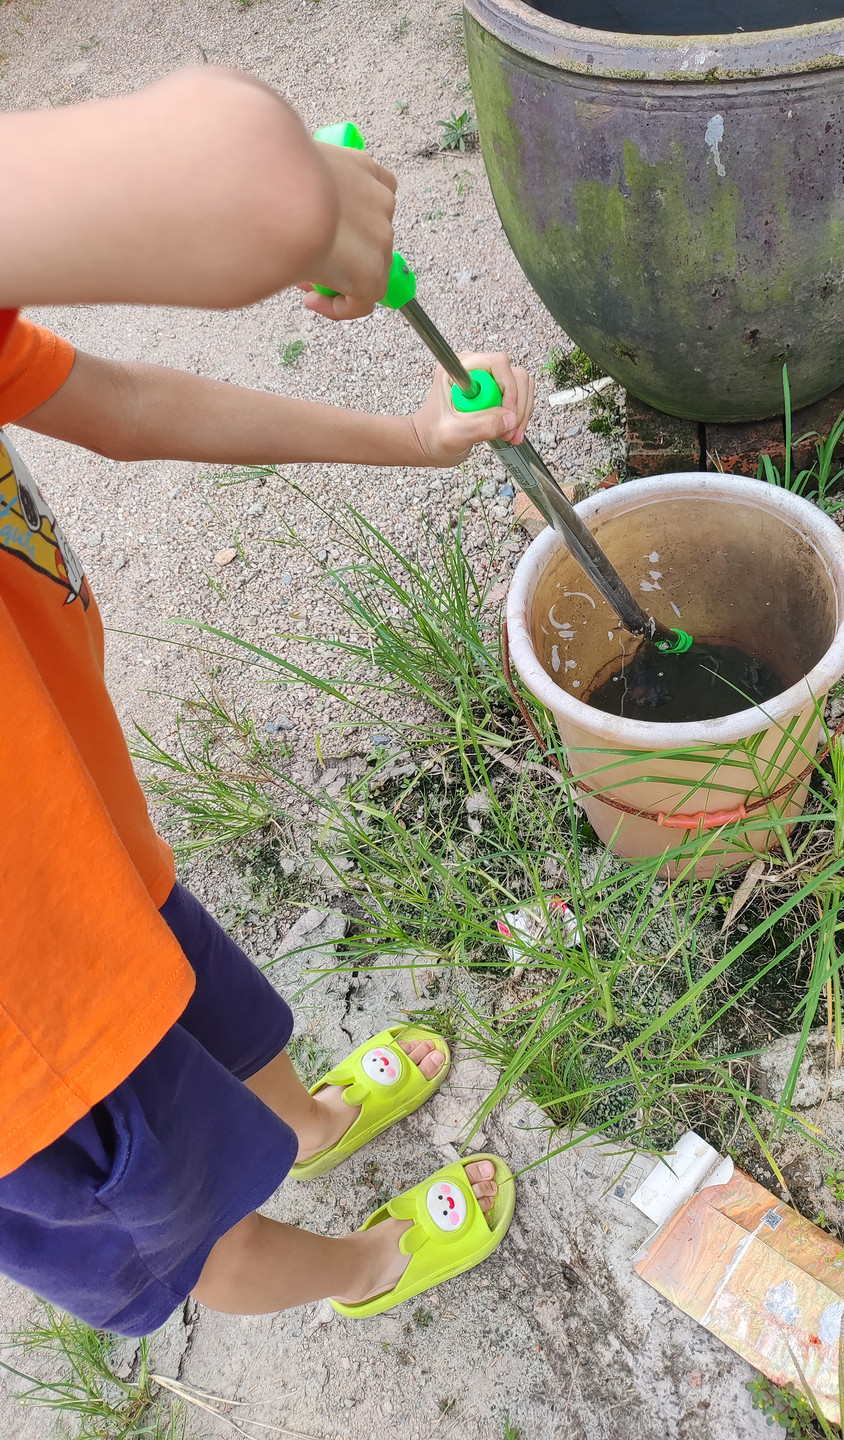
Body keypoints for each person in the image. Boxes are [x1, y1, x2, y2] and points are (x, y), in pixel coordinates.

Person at [0, 67, 532, 1336]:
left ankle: (314, 1120)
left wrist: (410, 441)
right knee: (192, 1226)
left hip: (74, 833)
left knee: (211, 1002)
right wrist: (311, 198)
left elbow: (119, 408)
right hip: (32, 1032)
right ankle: (359, 1271)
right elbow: (242, 181)